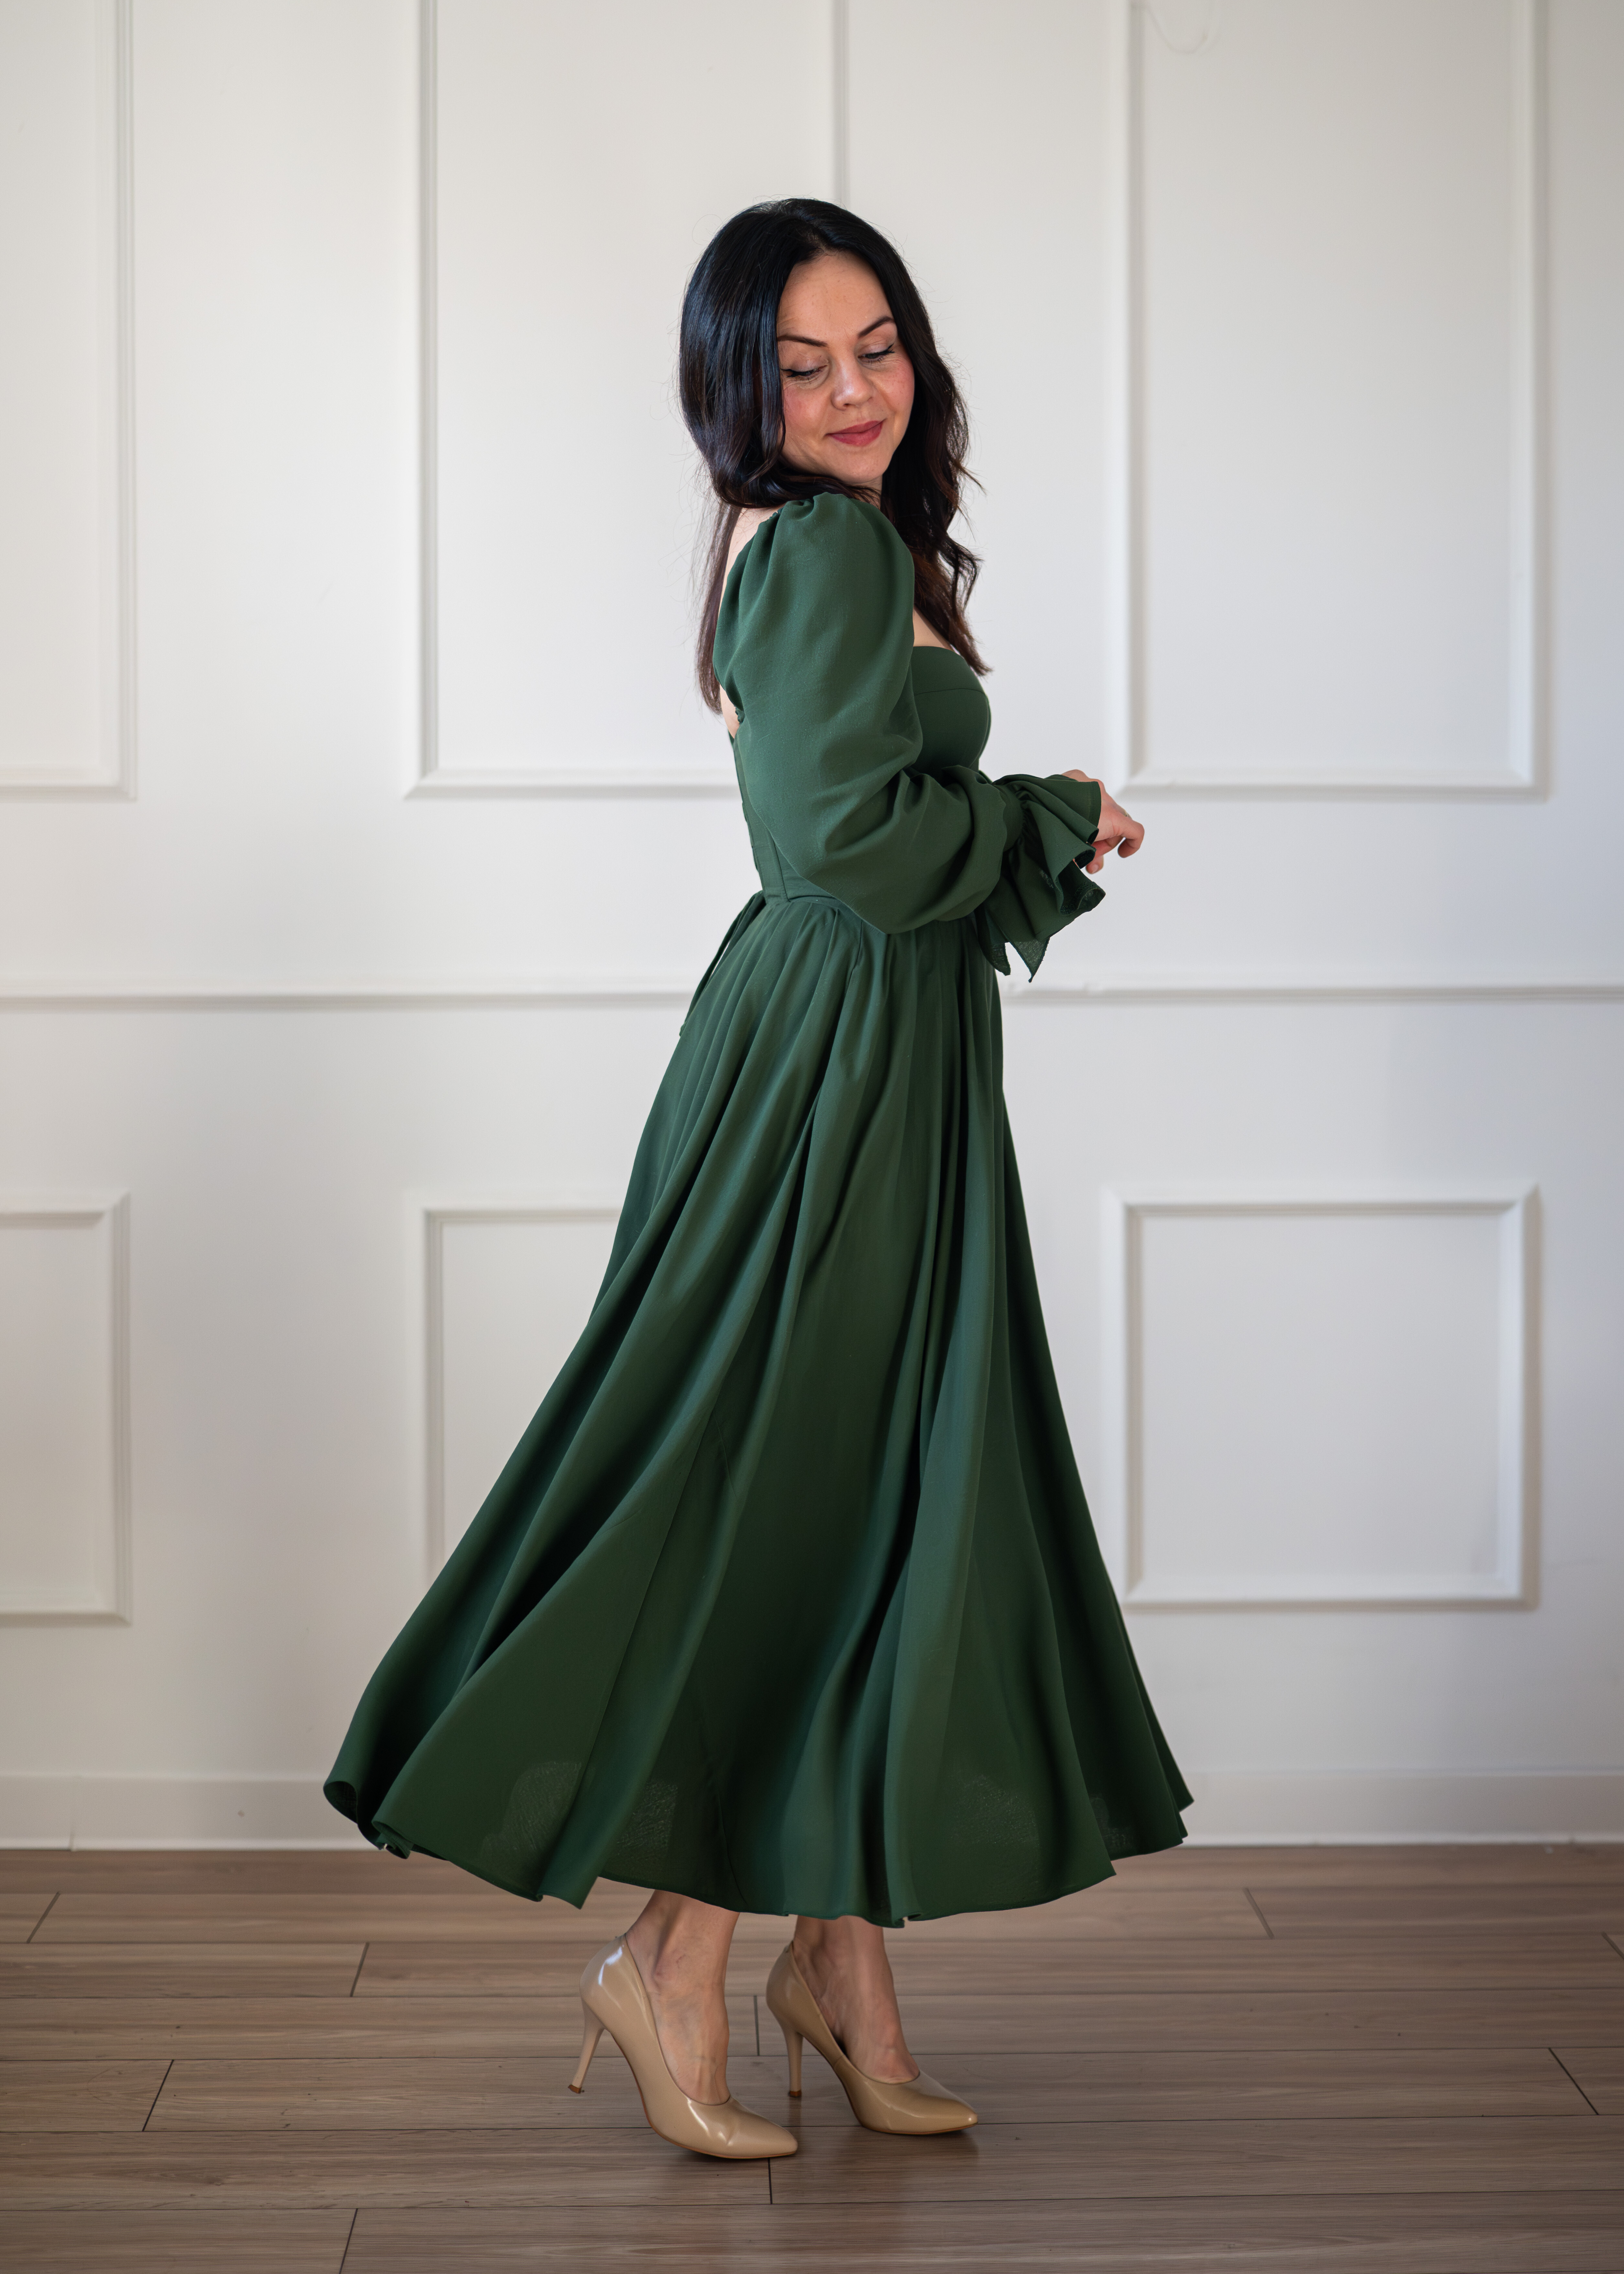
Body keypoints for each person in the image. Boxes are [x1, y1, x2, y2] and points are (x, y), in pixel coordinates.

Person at [326, 198, 1189, 2162]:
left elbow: (859, 818)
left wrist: (1017, 822)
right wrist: (1048, 811)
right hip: (839, 1067)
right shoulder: (819, 547)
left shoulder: (839, 540)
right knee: (797, 1494)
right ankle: (677, 1956)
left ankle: (843, 1972)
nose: (855, 389)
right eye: (803, 365)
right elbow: (855, 842)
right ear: (741, 387)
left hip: (880, 1049)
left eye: (878, 345)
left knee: (870, 1491)